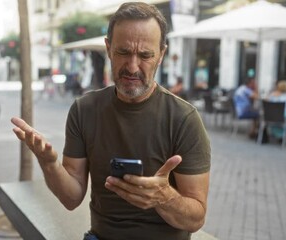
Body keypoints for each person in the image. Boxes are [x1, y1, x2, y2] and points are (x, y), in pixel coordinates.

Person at [11, 2, 211, 240]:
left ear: (161, 55)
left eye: (145, 55)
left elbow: (196, 219)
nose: (133, 66)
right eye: (123, 52)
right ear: (108, 48)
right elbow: (71, 198)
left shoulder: (184, 119)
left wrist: (163, 197)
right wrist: (49, 164)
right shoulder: (84, 110)